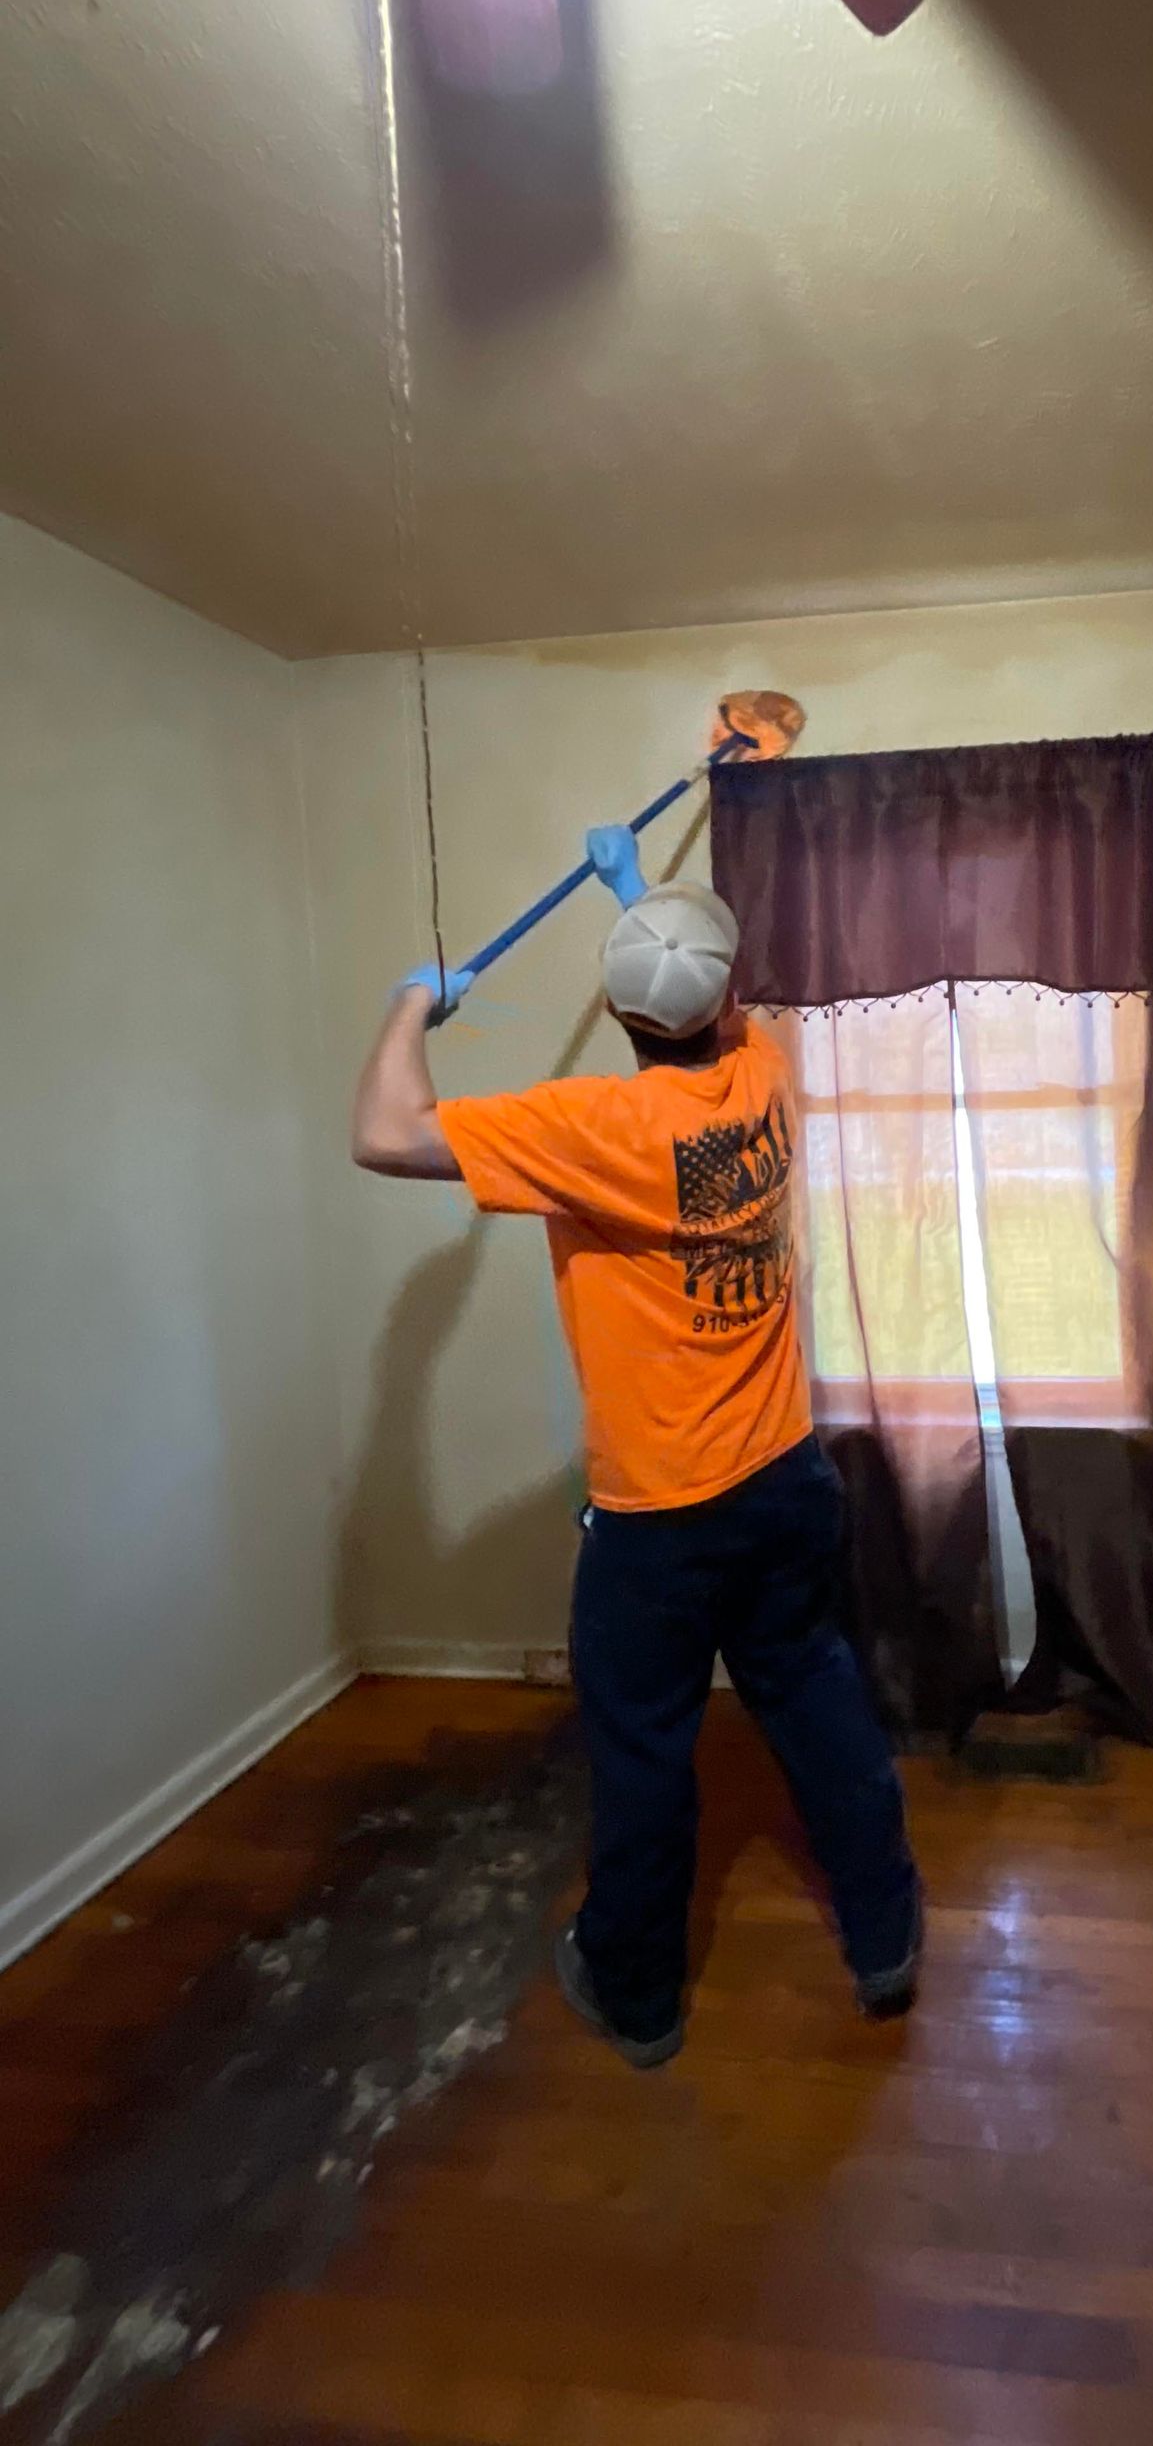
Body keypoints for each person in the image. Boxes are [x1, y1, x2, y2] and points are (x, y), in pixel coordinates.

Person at [348, 825, 921, 2068]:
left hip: (662, 1522)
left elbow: (386, 1133)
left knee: (647, 1756)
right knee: (819, 1705)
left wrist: (412, 1003)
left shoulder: (598, 1126)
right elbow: (703, 991)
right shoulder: (764, 1068)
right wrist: (636, 897)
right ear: (722, 1001)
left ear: (617, 1008)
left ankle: (638, 1995)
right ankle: (886, 1935)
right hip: (784, 1480)